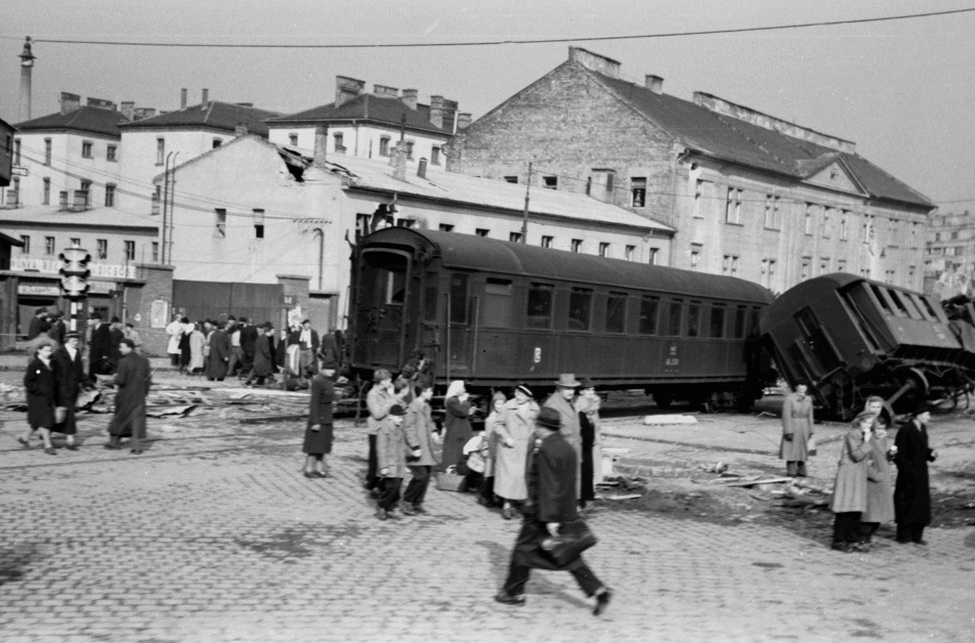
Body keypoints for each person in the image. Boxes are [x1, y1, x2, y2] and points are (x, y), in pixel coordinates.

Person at [494, 407, 612, 616]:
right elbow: (566, 483)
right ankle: (598, 590)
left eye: (537, 426)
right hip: (564, 510)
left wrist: (550, 519)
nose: (536, 430)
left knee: (523, 551)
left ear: (542, 427)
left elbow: (549, 486)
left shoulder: (547, 450)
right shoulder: (566, 447)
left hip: (543, 514)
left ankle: (513, 593)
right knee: (567, 554)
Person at [829, 411, 873, 552]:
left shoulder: (863, 435)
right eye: (865, 422)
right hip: (849, 474)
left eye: (870, 423)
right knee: (845, 508)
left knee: (855, 508)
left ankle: (851, 538)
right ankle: (839, 540)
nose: (868, 426)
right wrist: (866, 442)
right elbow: (856, 455)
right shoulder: (853, 434)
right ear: (859, 421)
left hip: (857, 474)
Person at [893, 405, 937, 545]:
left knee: (920, 503)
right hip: (908, 473)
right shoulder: (905, 430)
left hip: (921, 472)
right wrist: (907, 470)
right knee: (906, 501)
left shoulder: (922, 428)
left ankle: (917, 535)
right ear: (918, 415)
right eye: (927, 414)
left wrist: (930, 453)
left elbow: (921, 449)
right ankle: (904, 535)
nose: (929, 417)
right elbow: (900, 454)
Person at [495, 384, 538, 519]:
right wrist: (506, 437)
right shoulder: (508, 406)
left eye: (522, 395)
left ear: (529, 397)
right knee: (510, 476)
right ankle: (507, 506)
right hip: (510, 448)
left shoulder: (535, 409)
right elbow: (497, 424)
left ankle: (516, 504)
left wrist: (536, 440)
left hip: (526, 448)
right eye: (517, 393)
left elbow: (537, 426)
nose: (518, 397)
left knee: (520, 477)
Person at [105, 338, 152, 454]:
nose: (119, 349)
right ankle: (136, 446)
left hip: (125, 395)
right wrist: (144, 392)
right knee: (136, 421)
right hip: (139, 395)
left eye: (121, 347)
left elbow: (121, 380)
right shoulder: (144, 361)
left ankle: (114, 442)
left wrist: (112, 379)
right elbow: (148, 379)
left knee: (120, 418)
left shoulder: (123, 361)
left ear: (128, 347)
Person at [375, 404, 420, 520]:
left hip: (399, 464)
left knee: (397, 487)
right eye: (398, 417)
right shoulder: (383, 430)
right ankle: (381, 505)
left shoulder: (399, 429)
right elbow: (381, 449)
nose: (401, 419)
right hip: (389, 465)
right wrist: (383, 466)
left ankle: (389, 508)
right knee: (392, 487)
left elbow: (403, 446)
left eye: (401, 417)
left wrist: (411, 453)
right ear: (390, 416)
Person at [859, 414, 896, 546]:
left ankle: (868, 536)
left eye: (883, 428)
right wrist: (876, 475)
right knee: (870, 513)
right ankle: (863, 537)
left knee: (879, 514)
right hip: (873, 482)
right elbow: (865, 463)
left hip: (883, 481)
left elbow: (885, 459)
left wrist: (891, 456)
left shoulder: (885, 441)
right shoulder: (869, 441)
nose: (881, 431)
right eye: (878, 428)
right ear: (873, 429)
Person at [403, 384, 439, 514]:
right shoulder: (412, 407)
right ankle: (407, 500)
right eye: (430, 391)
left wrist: (434, 430)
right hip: (418, 447)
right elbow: (408, 428)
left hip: (426, 447)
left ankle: (417, 502)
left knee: (426, 475)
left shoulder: (426, 407)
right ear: (423, 392)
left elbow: (429, 421)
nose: (431, 394)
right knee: (420, 476)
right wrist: (414, 446)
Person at [544, 374, 583, 493]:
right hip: (561, 452)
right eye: (567, 388)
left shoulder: (570, 402)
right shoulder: (552, 404)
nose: (571, 391)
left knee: (571, 482)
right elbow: (544, 431)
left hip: (573, 449)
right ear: (559, 388)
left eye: (572, 388)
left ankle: (572, 507)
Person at [20, 339, 59, 455]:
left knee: (37, 420)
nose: (49, 352)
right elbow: (28, 381)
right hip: (36, 397)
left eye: (50, 350)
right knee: (45, 420)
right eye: (46, 350)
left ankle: (24, 437)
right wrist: (39, 389)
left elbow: (52, 377)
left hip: (47, 396)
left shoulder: (51, 364)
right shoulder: (35, 365)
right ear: (39, 351)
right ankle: (48, 446)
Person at [302, 358, 338, 478]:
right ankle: (309, 469)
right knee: (314, 446)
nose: (333, 371)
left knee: (322, 445)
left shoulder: (327, 380)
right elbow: (314, 402)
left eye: (333, 369)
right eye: (330, 369)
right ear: (324, 369)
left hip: (327, 418)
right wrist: (315, 421)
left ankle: (320, 469)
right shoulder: (318, 381)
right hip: (320, 418)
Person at [52, 331, 86, 451]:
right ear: (67, 339)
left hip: (73, 389)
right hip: (61, 388)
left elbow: (79, 372)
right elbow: (53, 371)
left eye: (77, 339)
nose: (76, 341)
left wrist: (88, 383)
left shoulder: (77, 353)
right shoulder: (58, 353)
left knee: (63, 414)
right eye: (73, 339)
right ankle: (70, 440)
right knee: (70, 412)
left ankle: (46, 429)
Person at [365, 369, 398, 493]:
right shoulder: (372, 394)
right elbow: (377, 414)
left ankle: (381, 483)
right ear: (382, 381)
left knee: (385, 457)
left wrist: (391, 395)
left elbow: (395, 407)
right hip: (376, 429)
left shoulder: (386, 392)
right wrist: (389, 400)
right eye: (388, 380)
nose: (390, 382)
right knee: (375, 458)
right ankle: (372, 483)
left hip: (387, 429)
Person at [575, 378, 603, 508]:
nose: (591, 392)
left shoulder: (594, 404)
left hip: (593, 441)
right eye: (588, 390)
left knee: (592, 470)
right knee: (583, 470)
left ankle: (589, 496)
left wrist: (597, 439)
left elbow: (596, 424)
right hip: (582, 442)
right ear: (581, 392)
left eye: (592, 390)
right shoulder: (578, 406)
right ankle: (583, 498)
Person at [478, 392, 507, 509]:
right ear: (493, 404)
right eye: (497, 403)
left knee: (497, 476)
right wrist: (495, 453)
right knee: (490, 475)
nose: (499, 406)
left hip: (501, 451)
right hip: (494, 452)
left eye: (502, 403)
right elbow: (490, 439)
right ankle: (485, 496)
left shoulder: (505, 417)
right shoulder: (490, 420)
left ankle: (497, 497)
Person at [779, 380, 814, 477]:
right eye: (800, 388)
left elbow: (810, 415)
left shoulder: (808, 399)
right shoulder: (789, 398)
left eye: (804, 388)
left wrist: (811, 429)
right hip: (793, 425)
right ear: (796, 388)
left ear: (806, 388)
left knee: (802, 449)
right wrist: (788, 431)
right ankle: (791, 471)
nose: (802, 390)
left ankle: (801, 470)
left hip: (804, 426)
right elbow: (786, 415)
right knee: (791, 449)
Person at [442, 380, 476, 472]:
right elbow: (462, 412)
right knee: (455, 453)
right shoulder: (451, 400)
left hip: (461, 430)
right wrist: (465, 401)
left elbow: (464, 413)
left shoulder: (456, 400)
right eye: (463, 388)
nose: (464, 390)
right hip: (456, 431)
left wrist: (470, 411)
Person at [88, 313, 116, 377]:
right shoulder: (94, 328)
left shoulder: (104, 327)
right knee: (93, 365)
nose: (93, 321)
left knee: (100, 366)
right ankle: (93, 378)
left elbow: (107, 341)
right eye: (93, 319)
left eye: (94, 319)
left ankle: (99, 379)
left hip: (100, 352)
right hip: (94, 351)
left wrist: (105, 354)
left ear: (98, 320)